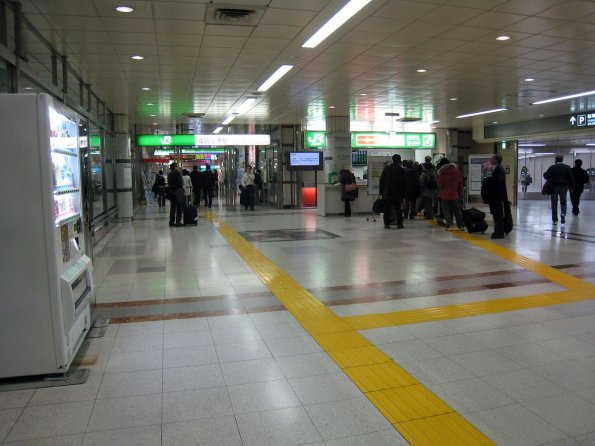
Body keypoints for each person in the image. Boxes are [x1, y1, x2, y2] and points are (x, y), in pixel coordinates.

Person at [543, 154, 574, 224]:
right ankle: (563, 213)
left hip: (554, 187)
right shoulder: (567, 167)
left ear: (556, 159)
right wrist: (571, 186)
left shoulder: (552, 167)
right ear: (562, 159)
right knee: (563, 202)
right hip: (564, 187)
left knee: (554, 203)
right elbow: (571, 178)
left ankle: (554, 220)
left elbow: (546, 176)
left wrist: (544, 174)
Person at [379, 154, 406, 229]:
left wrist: (381, 192)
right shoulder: (401, 170)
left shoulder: (387, 169)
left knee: (386, 209)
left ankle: (387, 224)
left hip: (387, 193)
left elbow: (382, 181)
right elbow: (404, 183)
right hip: (397, 193)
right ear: (399, 160)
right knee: (398, 209)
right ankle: (399, 224)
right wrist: (403, 194)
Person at [437, 161, 464, 231]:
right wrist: (460, 194)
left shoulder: (442, 172)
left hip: (444, 195)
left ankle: (449, 225)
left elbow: (440, 185)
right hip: (454, 195)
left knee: (446, 211)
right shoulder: (457, 172)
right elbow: (460, 185)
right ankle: (460, 225)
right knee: (457, 211)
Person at [487, 155, 508, 239]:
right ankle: (497, 231)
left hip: (498, 196)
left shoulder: (499, 169)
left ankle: (499, 232)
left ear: (496, 161)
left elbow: (499, 181)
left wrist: (489, 180)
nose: (490, 160)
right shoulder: (496, 168)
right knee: (496, 214)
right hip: (496, 195)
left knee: (498, 214)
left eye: (492, 159)